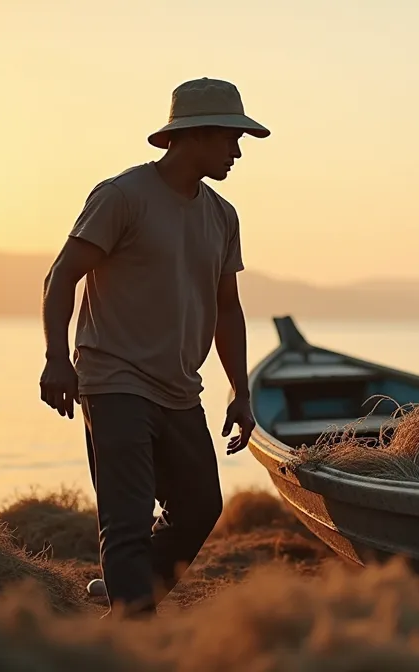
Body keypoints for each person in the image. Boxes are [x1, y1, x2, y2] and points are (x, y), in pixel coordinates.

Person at [38, 77, 268, 617]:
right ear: (196, 134)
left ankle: (129, 593)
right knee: (128, 515)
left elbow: (227, 309)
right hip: (113, 378)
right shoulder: (122, 196)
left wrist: (241, 391)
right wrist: (55, 359)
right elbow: (62, 275)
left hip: (180, 387)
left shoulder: (222, 215)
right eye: (231, 138)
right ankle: (133, 623)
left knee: (200, 508)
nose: (237, 152)